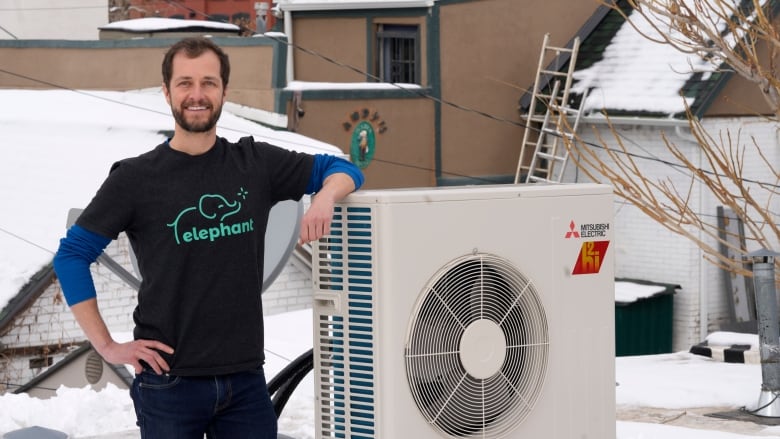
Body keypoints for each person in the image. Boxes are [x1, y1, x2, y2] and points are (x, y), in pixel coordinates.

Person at [53, 37, 364, 439]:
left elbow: (343, 169)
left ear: (223, 91)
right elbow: (71, 256)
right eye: (184, 83)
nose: (196, 95)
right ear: (166, 92)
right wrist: (109, 347)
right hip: (169, 385)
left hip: (245, 381)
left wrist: (323, 198)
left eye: (208, 83)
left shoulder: (255, 164)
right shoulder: (135, 178)